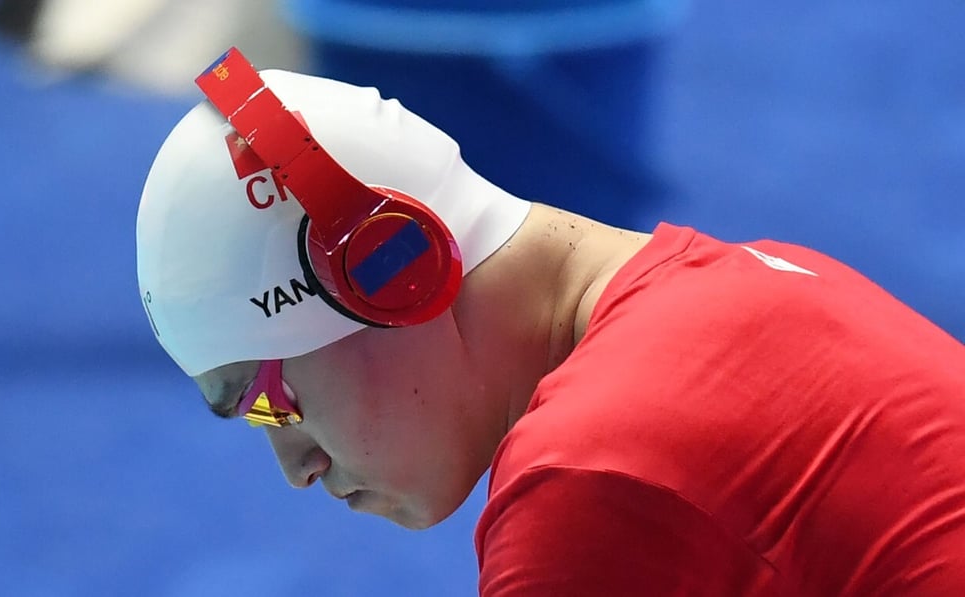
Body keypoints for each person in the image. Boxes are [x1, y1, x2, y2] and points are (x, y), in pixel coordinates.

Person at [136, 49, 965, 595]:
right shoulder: (756, 282)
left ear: (392, 273)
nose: (296, 465)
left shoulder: (593, 471)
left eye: (267, 397)